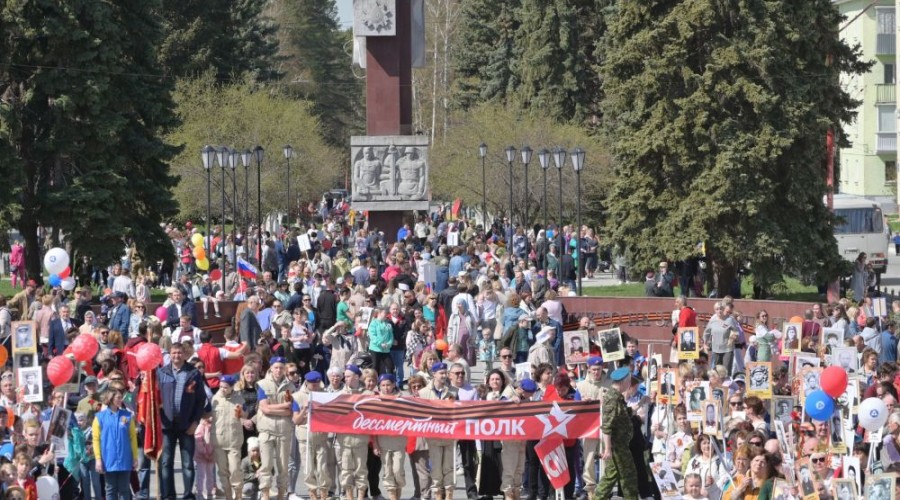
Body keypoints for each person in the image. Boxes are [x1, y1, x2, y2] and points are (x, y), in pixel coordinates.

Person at [158, 342, 207, 500]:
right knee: (166, 462)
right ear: (169, 354)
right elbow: (155, 398)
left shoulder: (193, 373)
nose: (176, 356)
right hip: (166, 425)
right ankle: (168, 495)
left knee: (187, 463)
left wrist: (196, 422)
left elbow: (201, 400)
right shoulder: (162, 373)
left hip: (187, 424)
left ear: (184, 354)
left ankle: (187, 494)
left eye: (179, 353)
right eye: (173, 353)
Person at [594, 366, 639, 499]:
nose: (630, 384)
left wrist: (641, 403)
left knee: (611, 476)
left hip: (620, 446)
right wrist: (608, 449)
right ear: (622, 382)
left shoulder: (617, 397)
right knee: (628, 476)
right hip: (617, 447)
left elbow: (625, 414)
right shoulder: (612, 399)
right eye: (629, 381)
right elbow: (607, 426)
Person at [256, 356, 296, 500]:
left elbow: (291, 410)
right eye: (276, 367)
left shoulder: (291, 387)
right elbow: (264, 408)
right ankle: (265, 493)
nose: (278, 370)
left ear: (285, 369)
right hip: (266, 429)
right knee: (266, 465)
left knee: (283, 465)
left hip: (284, 430)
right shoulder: (262, 384)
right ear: (271, 368)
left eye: (281, 367)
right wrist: (283, 407)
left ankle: (281, 494)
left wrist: (279, 408)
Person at [293, 371, 334, 500]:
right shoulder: (297, 396)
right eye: (312, 384)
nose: (315, 386)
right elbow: (296, 420)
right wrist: (304, 410)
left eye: (317, 383)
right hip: (305, 437)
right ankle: (312, 494)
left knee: (323, 468)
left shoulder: (325, 395)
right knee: (309, 469)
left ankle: (324, 493)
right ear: (306, 382)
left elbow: (331, 417)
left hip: (321, 437)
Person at [92, 386, 138, 499]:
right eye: (118, 397)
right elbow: (96, 439)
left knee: (124, 489)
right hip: (108, 459)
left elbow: (132, 437)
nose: (120, 399)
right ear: (111, 398)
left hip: (125, 458)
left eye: (121, 397)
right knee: (110, 489)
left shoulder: (127, 416)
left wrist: (135, 457)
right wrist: (98, 459)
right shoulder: (99, 417)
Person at [418, 363, 456, 500]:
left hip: (449, 437)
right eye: (441, 373)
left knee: (449, 468)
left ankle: (449, 495)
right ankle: (438, 496)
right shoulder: (423, 393)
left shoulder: (453, 392)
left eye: (446, 373)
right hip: (433, 437)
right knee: (436, 471)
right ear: (434, 374)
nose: (444, 376)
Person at [212, 374, 244, 500]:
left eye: (225, 387)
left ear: (232, 387)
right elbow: (210, 416)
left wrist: (242, 413)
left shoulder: (239, 399)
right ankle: (228, 496)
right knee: (222, 471)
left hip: (234, 440)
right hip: (219, 440)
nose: (222, 389)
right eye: (221, 387)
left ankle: (238, 494)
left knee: (235, 469)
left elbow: (245, 414)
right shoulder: (215, 399)